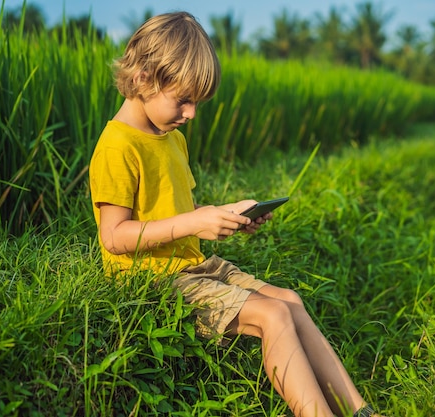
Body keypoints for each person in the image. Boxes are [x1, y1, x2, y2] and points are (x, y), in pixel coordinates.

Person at [89, 11, 382, 417]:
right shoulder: (117, 147)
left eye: (196, 102)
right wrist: (195, 221)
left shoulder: (171, 138)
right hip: (148, 279)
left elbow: (177, 212)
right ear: (143, 78)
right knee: (272, 315)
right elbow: (114, 236)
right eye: (183, 99)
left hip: (192, 264)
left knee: (290, 301)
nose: (191, 113)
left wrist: (227, 217)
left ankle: (361, 411)